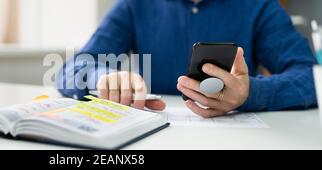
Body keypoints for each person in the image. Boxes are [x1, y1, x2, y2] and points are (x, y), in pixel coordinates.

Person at [56, 0, 317, 118]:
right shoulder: (135, 5)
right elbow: (73, 69)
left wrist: (251, 92)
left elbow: (312, 78)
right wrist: (103, 77)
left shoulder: (260, 6)